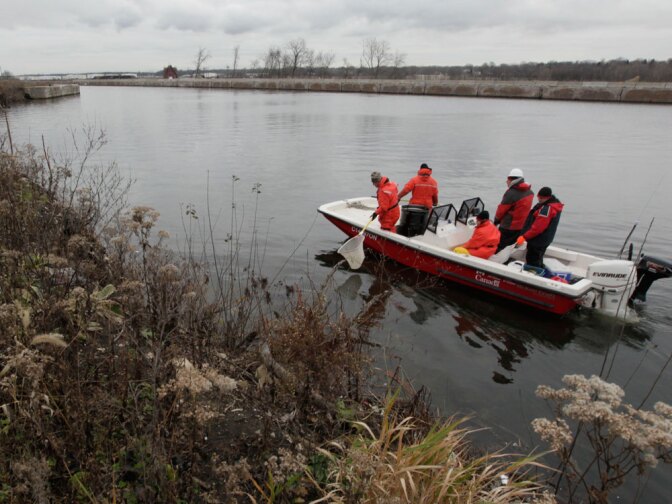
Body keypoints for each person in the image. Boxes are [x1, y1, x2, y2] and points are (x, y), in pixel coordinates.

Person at [516, 187, 564, 268]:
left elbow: (538, 228)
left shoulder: (546, 209)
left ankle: (533, 275)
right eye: (538, 197)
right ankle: (540, 270)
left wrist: (524, 236)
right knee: (538, 258)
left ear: (546, 197)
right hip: (545, 239)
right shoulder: (554, 205)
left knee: (533, 260)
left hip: (538, 241)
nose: (539, 199)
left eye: (541, 198)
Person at [494, 168, 533, 252]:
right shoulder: (530, 192)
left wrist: (496, 220)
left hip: (508, 226)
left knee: (500, 246)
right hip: (521, 226)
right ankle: (506, 259)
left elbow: (502, 209)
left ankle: (494, 261)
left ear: (511, 179)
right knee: (510, 246)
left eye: (507, 179)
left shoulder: (511, 193)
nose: (506, 181)